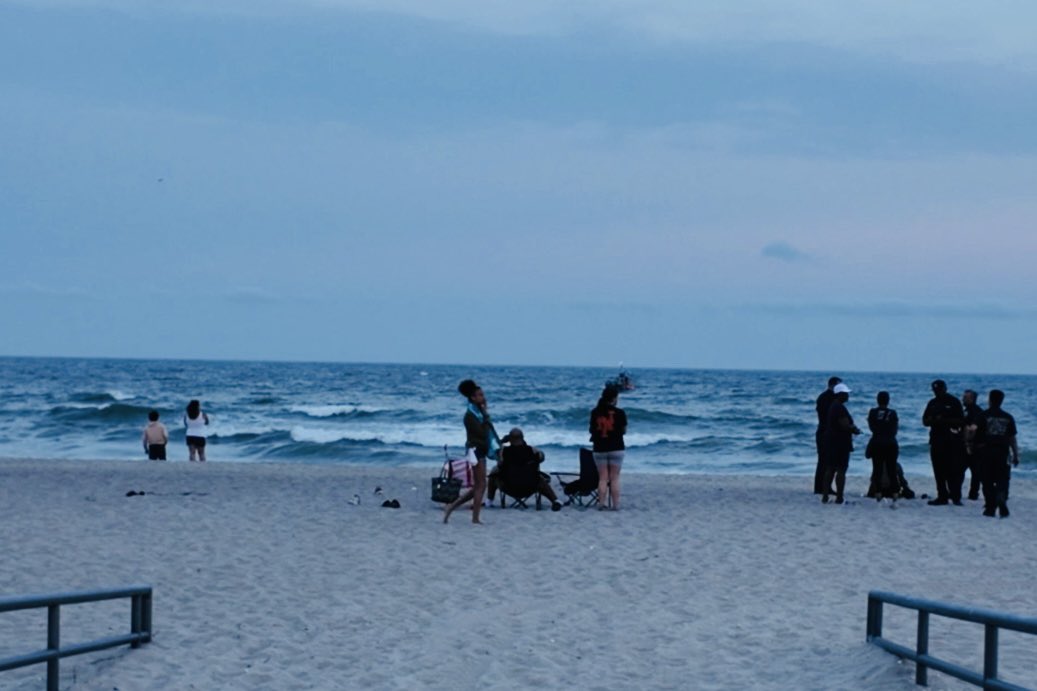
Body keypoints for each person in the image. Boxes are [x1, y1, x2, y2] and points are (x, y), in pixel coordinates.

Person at [444, 380, 499, 524]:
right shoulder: (470, 415)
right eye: (480, 395)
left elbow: (488, 431)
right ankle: (474, 518)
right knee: (481, 485)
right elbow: (481, 432)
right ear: (473, 398)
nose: (483, 397)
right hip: (475, 450)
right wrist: (486, 416)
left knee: (479, 486)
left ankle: (452, 507)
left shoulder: (479, 412)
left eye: (482, 394)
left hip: (481, 449)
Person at [488, 427, 563, 511]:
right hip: (530, 487)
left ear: (509, 439)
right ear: (523, 438)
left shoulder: (503, 451)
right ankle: (555, 500)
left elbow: (497, 461)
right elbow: (542, 457)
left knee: (493, 476)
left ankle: (489, 501)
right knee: (540, 479)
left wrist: (501, 442)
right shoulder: (532, 450)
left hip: (509, 487)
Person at [974, 389, 1019, 518]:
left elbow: (974, 432)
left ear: (989, 400)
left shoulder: (982, 415)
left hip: (986, 451)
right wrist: (1015, 454)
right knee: (1003, 478)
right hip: (1003, 451)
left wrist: (971, 446)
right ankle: (1001, 495)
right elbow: (1012, 438)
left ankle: (990, 507)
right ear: (1002, 401)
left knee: (986, 480)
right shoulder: (1008, 417)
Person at [922, 380, 965, 505]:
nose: (937, 393)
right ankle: (942, 496)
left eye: (939, 390)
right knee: (938, 470)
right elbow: (925, 421)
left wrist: (944, 420)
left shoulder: (954, 402)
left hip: (951, 441)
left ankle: (956, 496)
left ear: (945, 389)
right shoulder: (932, 403)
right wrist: (933, 420)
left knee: (953, 470)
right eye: (935, 390)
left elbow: (961, 421)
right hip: (936, 440)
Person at [821, 382, 861, 504]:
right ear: (840, 394)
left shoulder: (833, 406)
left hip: (831, 441)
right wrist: (854, 429)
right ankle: (839, 497)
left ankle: (825, 496)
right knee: (841, 469)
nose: (848, 396)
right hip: (840, 443)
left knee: (830, 469)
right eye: (846, 393)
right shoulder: (840, 408)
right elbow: (845, 425)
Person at [589, 384, 627, 510]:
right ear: (614, 398)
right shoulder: (620, 413)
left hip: (599, 448)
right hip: (617, 447)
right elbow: (624, 431)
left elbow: (591, 430)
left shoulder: (595, 412)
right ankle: (615, 505)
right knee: (614, 478)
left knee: (603, 478)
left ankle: (601, 503)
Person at [865, 392, 899, 499]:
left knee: (877, 469)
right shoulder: (892, 413)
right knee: (892, 470)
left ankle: (878, 493)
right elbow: (895, 430)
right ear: (888, 400)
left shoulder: (873, 412)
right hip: (891, 443)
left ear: (877, 400)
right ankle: (895, 494)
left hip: (877, 442)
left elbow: (871, 428)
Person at [814, 376, 841, 495]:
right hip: (826, 432)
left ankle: (822, 486)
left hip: (824, 431)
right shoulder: (829, 398)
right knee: (826, 461)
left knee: (824, 461)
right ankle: (822, 487)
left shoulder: (824, 397)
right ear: (832, 385)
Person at [961, 389, 984, 501]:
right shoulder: (966, 410)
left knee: (974, 470)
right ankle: (971, 493)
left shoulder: (976, 412)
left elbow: (972, 429)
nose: (963, 399)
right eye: (963, 397)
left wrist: (968, 442)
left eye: (966, 397)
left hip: (974, 445)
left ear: (972, 399)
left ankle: (973, 493)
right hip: (971, 445)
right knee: (969, 470)